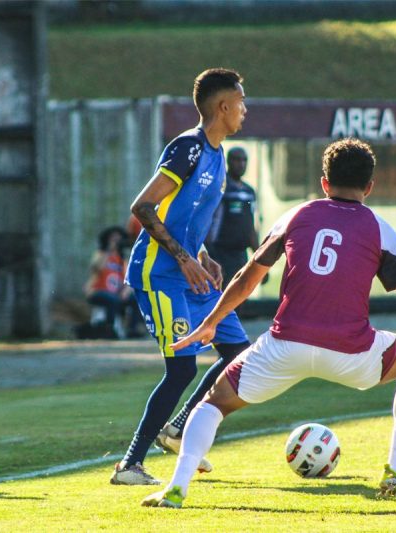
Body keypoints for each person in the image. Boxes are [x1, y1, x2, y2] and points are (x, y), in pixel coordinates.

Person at [141, 138, 396, 509]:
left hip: (283, 348)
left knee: (213, 404)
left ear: (324, 182)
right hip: (352, 353)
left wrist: (211, 323)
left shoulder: (297, 215)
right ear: (369, 187)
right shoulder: (381, 229)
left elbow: (247, 277)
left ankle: (177, 488)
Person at [110, 68, 251, 485]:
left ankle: (177, 430)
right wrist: (183, 258)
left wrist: (202, 255)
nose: (245, 110)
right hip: (159, 275)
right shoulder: (187, 148)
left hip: (192, 274)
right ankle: (130, 465)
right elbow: (144, 207)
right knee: (182, 370)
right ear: (223, 107)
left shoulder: (219, 152)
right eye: (241, 102)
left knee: (238, 355)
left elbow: (184, 216)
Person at [206, 146, 259, 287]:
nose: (241, 164)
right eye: (237, 159)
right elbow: (208, 222)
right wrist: (212, 256)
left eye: (244, 160)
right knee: (221, 298)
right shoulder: (220, 187)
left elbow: (251, 225)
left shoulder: (249, 191)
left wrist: (259, 258)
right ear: (228, 161)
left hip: (241, 255)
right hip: (220, 254)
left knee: (240, 298)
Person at [80, 226, 142, 339]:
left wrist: (125, 292)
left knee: (135, 299)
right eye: (113, 239)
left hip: (116, 294)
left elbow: (129, 278)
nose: (116, 241)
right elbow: (97, 268)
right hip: (97, 291)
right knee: (112, 300)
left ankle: (132, 330)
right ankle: (109, 330)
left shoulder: (122, 259)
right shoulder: (100, 254)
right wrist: (109, 251)